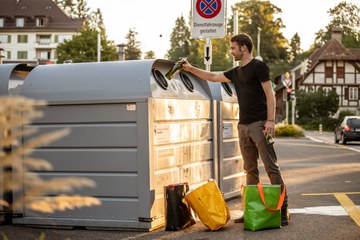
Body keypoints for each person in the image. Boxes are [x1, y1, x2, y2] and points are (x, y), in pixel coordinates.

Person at [181, 33, 289, 226]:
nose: (231, 52)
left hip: (259, 124)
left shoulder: (258, 66)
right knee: (249, 170)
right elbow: (213, 77)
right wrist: (190, 69)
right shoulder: (236, 72)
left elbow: (270, 94)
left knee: (271, 167)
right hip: (243, 126)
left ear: (244, 48)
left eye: (233, 48)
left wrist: (270, 121)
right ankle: (251, 209)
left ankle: (282, 210)